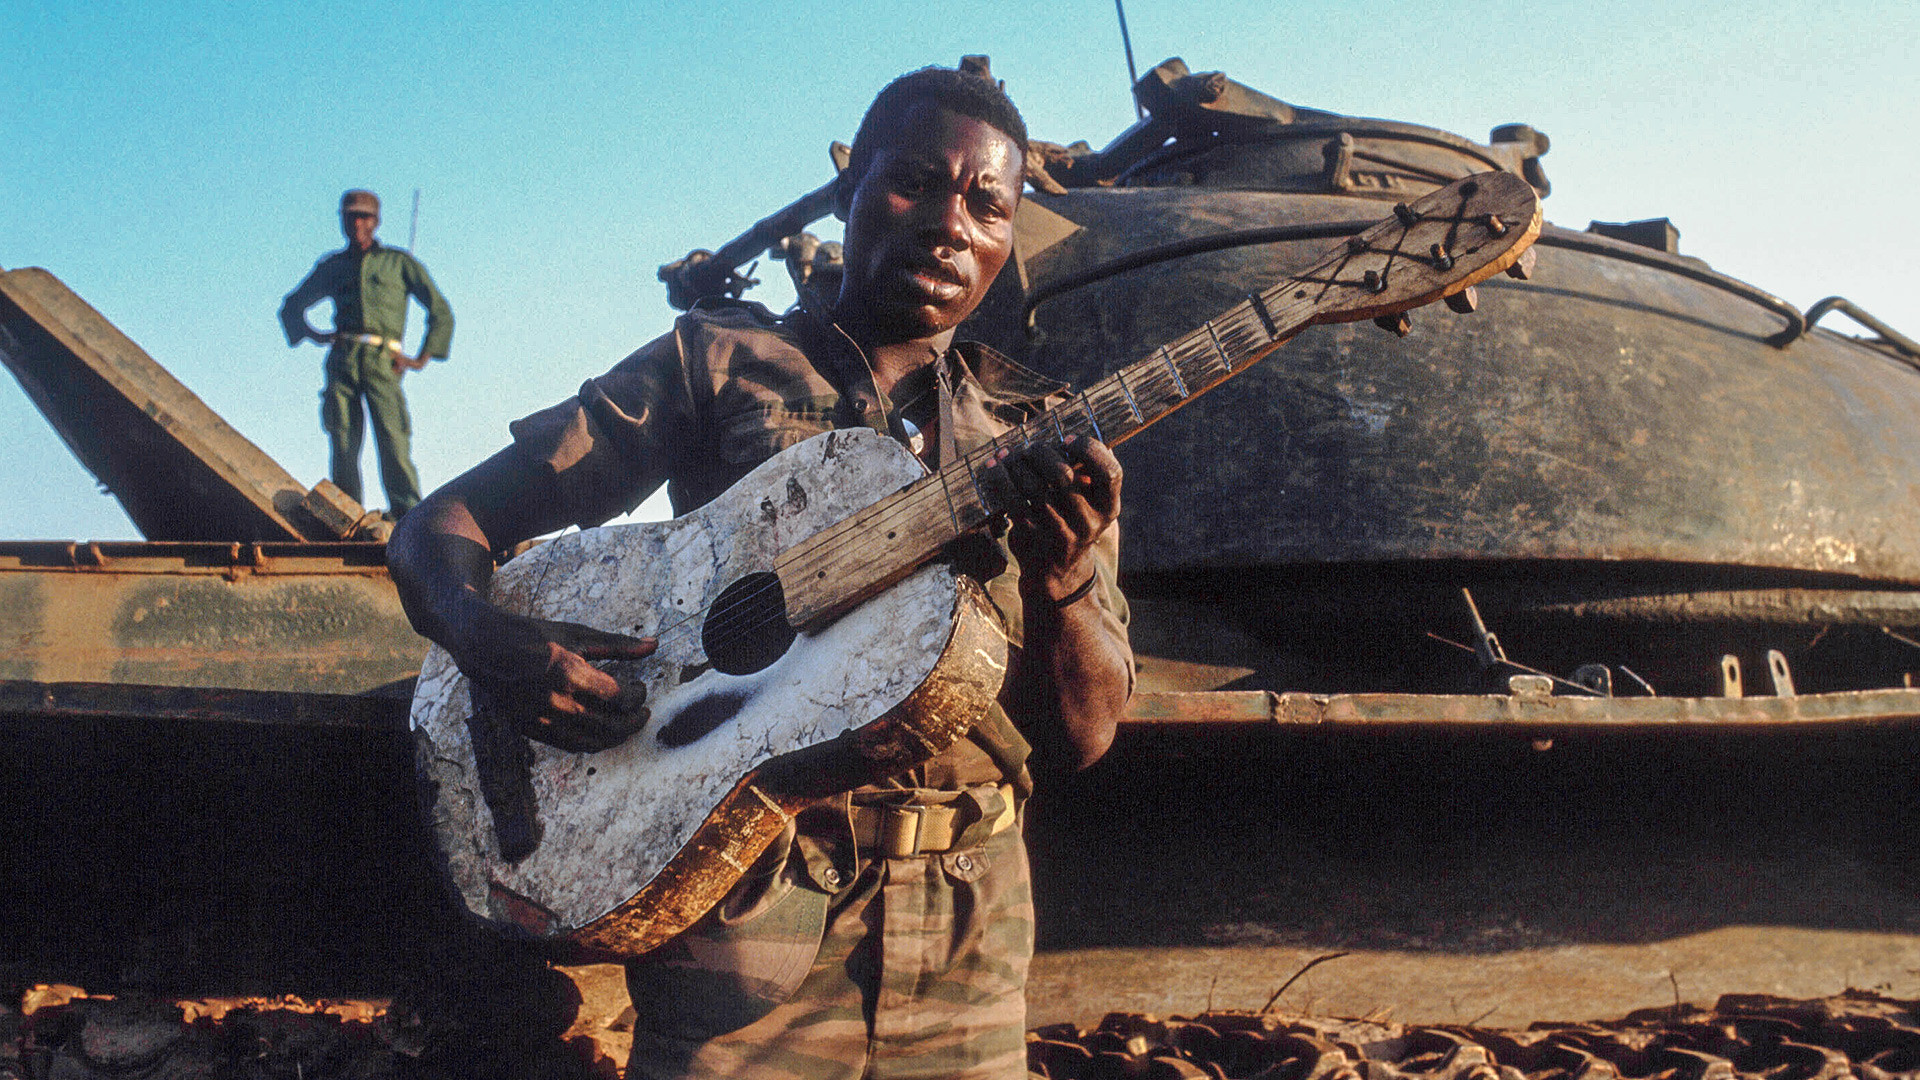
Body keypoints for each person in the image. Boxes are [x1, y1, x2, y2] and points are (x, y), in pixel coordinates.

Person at [387, 65, 1132, 1080]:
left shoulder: (1042, 439)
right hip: (747, 917)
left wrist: (1065, 583)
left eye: (987, 204)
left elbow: (1083, 736)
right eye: (916, 183)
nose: (949, 224)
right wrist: (489, 640)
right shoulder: (716, 365)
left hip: (971, 935)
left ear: (1006, 243)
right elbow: (446, 524)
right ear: (851, 193)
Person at [279, 188, 453, 518]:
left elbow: (440, 311)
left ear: (376, 221)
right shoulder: (333, 266)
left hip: (384, 360)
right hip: (343, 357)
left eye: (364, 217)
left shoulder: (398, 263)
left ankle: (407, 515)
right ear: (343, 222)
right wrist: (314, 335)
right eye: (351, 217)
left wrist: (419, 359)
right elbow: (292, 307)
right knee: (342, 439)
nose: (357, 224)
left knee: (393, 438)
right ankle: (347, 514)